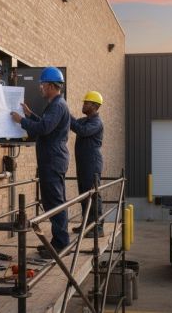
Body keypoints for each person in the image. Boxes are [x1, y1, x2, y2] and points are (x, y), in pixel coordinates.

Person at [10, 67, 70, 258]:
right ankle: (56, 242)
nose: (41, 88)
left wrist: (21, 121)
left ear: (52, 86)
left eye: (43, 84)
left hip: (53, 160)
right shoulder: (56, 105)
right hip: (52, 159)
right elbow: (47, 124)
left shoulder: (58, 105)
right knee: (52, 201)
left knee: (55, 201)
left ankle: (60, 245)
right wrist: (30, 115)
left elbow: (44, 128)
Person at [70, 91, 104, 238]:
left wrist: (67, 114)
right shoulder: (84, 120)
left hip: (92, 163)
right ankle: (86, 224)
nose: (83, 105)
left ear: (95, 106)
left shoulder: (96, 122)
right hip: (83, 164)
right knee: (84, 195)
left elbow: (82, 131)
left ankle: (97, 228)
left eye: (86, 103)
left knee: (93, 195)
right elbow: (74, 124)